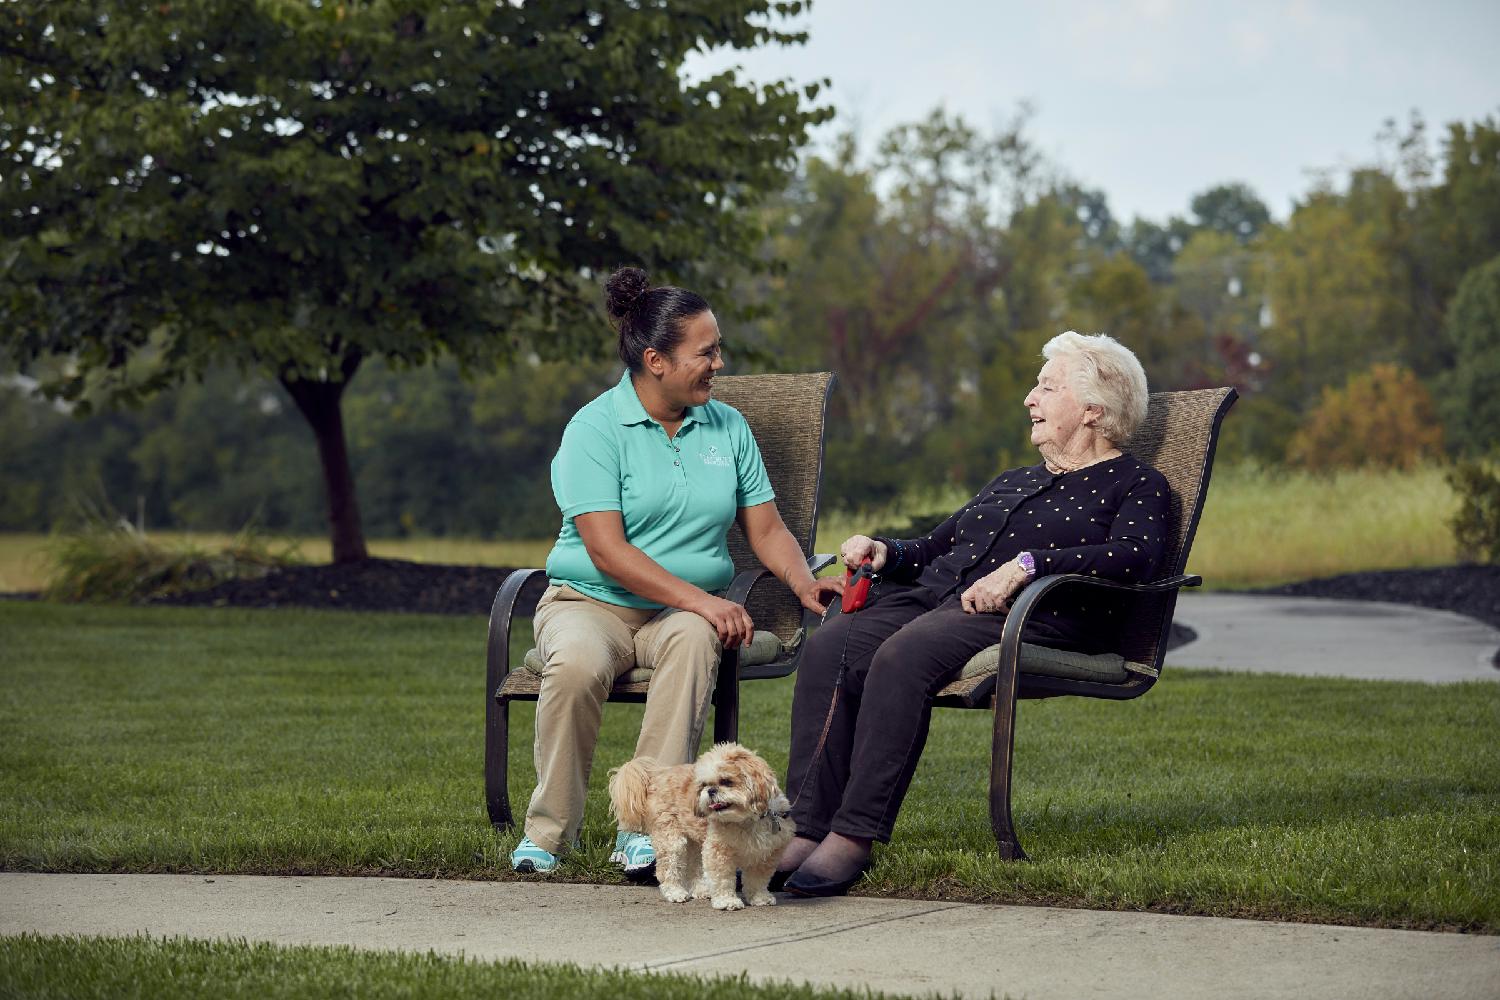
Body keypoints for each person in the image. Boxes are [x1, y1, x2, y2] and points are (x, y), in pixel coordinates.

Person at [775, 331, 1170, 896]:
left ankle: (854, 834)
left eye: (1046, 387)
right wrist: (885, 550)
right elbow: (935, 547)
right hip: (933, 600)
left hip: (1031, 614)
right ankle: (807, 825)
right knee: (830, 645)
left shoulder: (1136, 484)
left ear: (1093, 409)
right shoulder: (1015, 481)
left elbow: (1137, 556)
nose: (1029, 399)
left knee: (901, 656)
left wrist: (1027, 565)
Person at [510, 267, 843, 874]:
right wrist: (706, 601)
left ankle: (649, 827)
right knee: (579, 664)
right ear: (654, 359)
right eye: (706, 352)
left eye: (719, 349)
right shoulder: (593, 430)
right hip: (591, 602)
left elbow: (766, 528)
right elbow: (608, 552)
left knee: (694, 642)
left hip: (678, 616)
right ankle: (550, 832)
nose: (720, 363)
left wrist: (803, 581)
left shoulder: (728, 426)